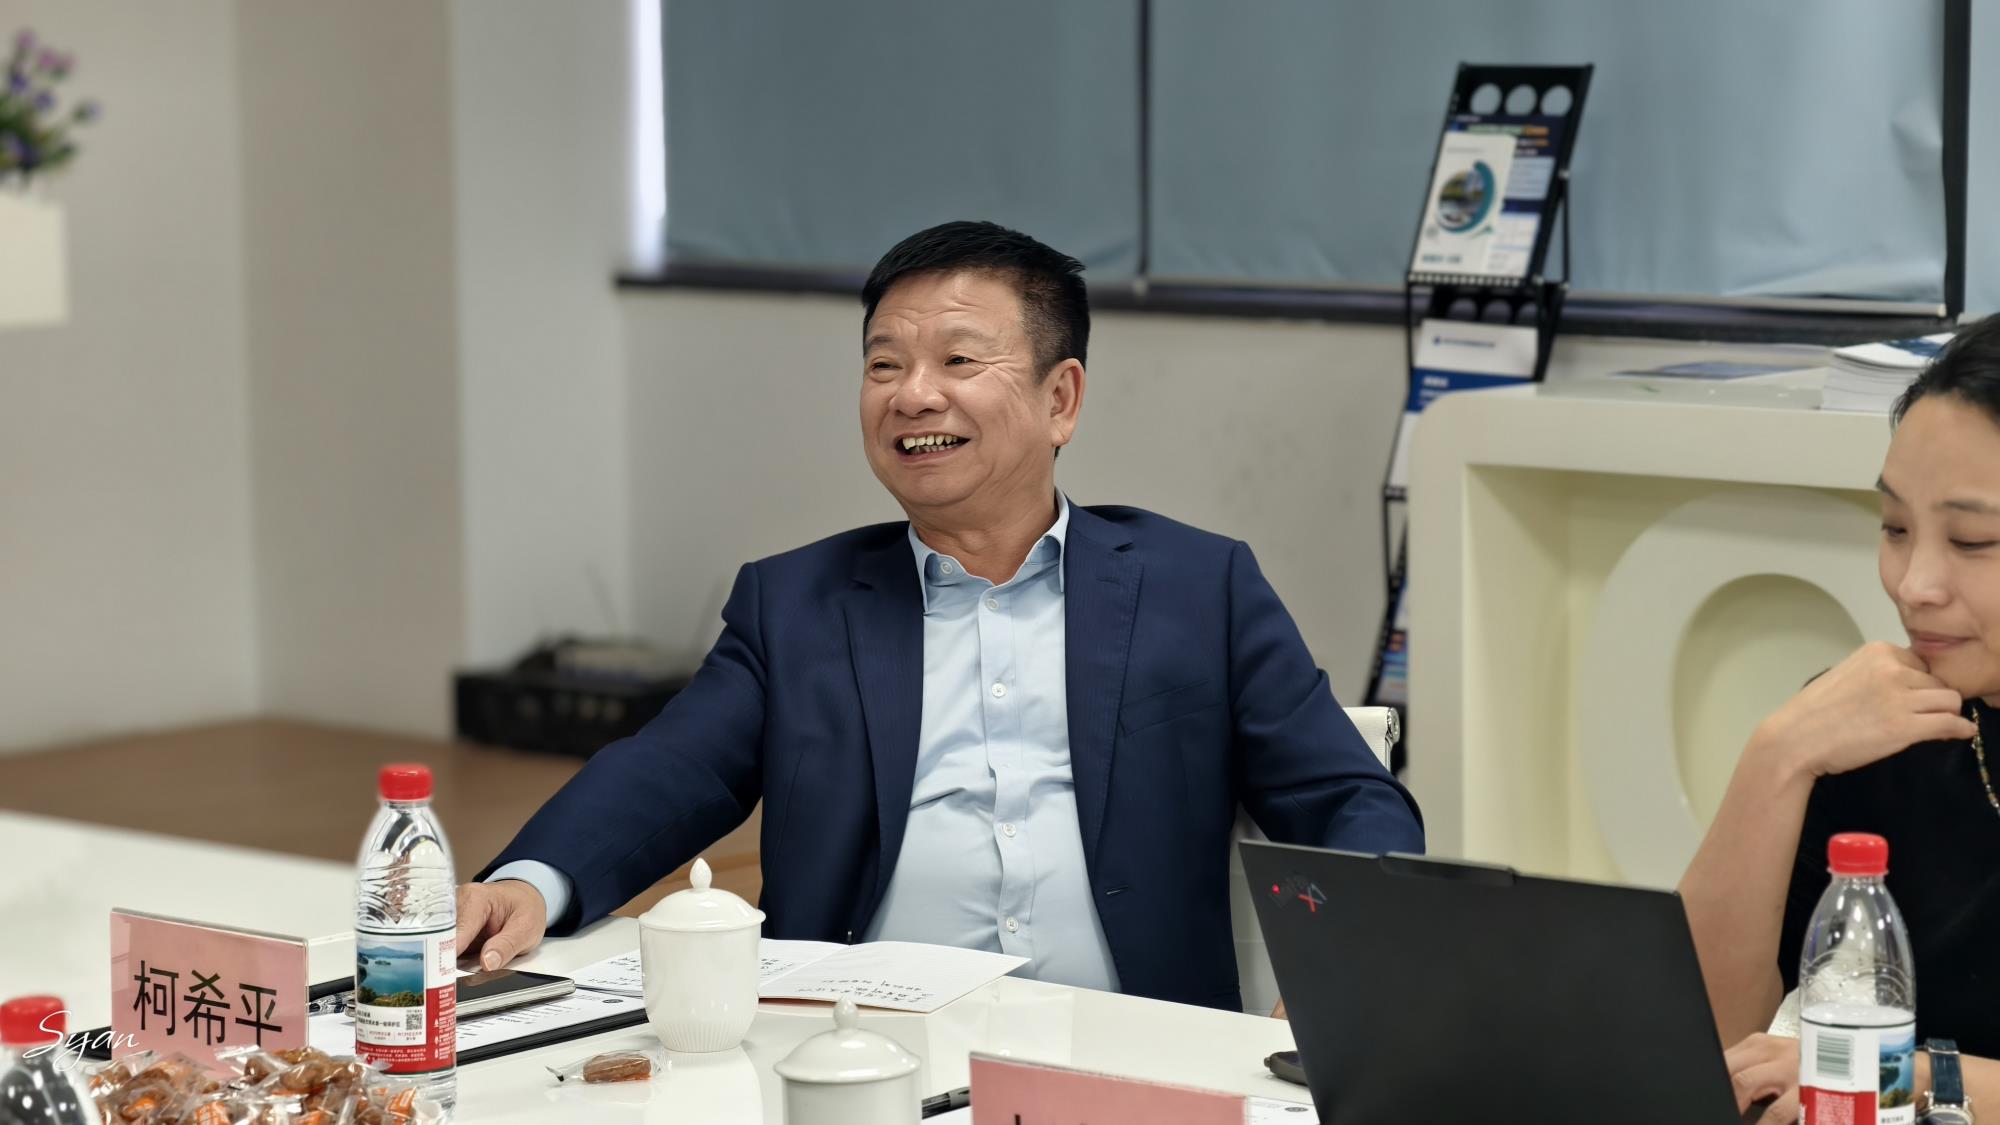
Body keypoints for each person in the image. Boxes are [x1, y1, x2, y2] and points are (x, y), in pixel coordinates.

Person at [453, 220, 1424, 1010]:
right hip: (853, 1052)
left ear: (1061, 399)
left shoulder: (1198, 587)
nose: (913, 394)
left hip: (1128, 1054)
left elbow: (1350, 801)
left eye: (958, 358)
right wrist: (528, 882)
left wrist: (1338, 965)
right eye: (884, 365)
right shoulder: (795, 605)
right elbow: (674, 768)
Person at [1680, 314, 2000, 1119]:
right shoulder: (1876, 727)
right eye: (1895, 528)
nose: (1914, 584)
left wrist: (1906, 1076)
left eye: (1972, 540)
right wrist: (1779, 756)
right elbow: (1698, 1046)